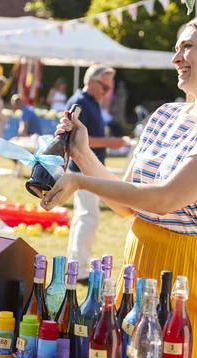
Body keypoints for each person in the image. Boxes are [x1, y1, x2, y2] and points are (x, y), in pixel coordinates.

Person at [41, 16, 197, 358]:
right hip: (140, 263)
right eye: (176, 49)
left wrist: (78, 180)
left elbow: (164, 199)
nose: (176, 58)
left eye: (187, 47)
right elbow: (129, 204)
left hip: (194, 274)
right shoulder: (165, 116)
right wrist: (84, 155)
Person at [64, 65, 126, 280]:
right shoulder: (79, 102)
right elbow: (73, 138)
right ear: (91, 81)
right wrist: (110, 142)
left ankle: (75, 265)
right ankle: (79, 270)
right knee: (88, 217)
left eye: (110, 87)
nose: (107, 91)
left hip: (88, 169)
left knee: (84, 217)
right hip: (83, 170)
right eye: (105, 86)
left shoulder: (89, 102)